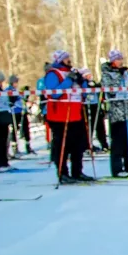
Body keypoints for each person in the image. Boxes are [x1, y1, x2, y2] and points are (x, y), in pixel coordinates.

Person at [44, 50, 92, 184]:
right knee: (62, 146)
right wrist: (69, 80)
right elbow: (54, 93)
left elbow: (83, 93)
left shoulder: (71, 72)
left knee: (78, 145)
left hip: (75, 114)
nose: (69, 60)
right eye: (66, 58)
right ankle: (62, 172)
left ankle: (77, 171)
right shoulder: (53, 74)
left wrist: (82, 81)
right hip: (60, 115)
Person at [100, 50, 128, 178]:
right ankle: (117, 168)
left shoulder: (126, 73)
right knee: (118, 141)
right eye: (118, 59)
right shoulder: (107, 73)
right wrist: (118, 75)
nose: (120, 61)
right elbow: (110, 88)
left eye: (121, 59)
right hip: (117, 112)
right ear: (112, 61)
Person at [8, 75, 34, 156]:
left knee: (25, 128)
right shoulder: (9, 90)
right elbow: (10, 100)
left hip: (21, 111)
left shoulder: (16, 90)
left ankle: (28, 146)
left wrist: (26, 93)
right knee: (14, 130)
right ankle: (15, 148)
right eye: (16, 82)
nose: (17, 83)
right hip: (14, 112)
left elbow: (22, 98)